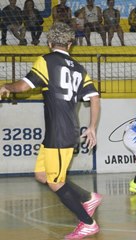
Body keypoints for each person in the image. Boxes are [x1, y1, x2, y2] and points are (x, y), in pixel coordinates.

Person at [0, 22, 102, 239]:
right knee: (42, 175)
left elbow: (24, 86)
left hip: (60, 133)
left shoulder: (46, 61)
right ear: (70, 43)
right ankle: (88, 197)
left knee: (56, 182)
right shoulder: (79, 68)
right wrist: (92, 126)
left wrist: (7, 86)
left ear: (49, 42)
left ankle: (88, 223)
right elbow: (94, 97)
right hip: (62, 131)